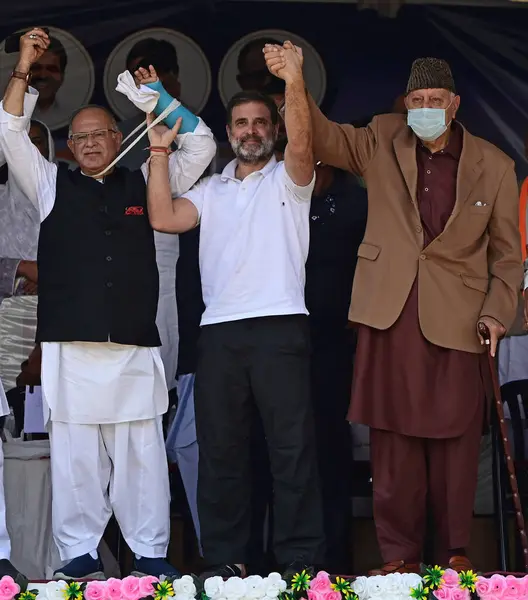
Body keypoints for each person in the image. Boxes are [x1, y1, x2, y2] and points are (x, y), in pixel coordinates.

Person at [265, 45, 522, 573]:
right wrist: (295, 80)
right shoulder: (382, 137)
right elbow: (322, 136)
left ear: (454, 104)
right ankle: (399, 561)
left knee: (454, 445)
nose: (425, 107)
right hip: (389, 313)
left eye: (435, 99)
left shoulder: (494, 165)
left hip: (461, 320)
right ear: (406, 103)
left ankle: (453, 556)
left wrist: (497, 314)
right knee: (393, 443)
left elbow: (508, 256)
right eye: (416, 99)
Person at [0, 28, 216, 580]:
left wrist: (159, 102)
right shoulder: (49, 185)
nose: (91, 142)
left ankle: (148, 552)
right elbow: (9, 128)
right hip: (71, 346)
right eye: (81, 136)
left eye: (101, 133)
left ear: (121, 136)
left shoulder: (149, 179)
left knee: (142, 456)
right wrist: (24, 63)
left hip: (131, 345)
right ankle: (78, 553)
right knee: (76, 458)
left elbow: (204, 145)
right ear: (70, 146)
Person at [143, 42, 325, 579]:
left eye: (259, 122)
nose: (250, 131)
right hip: (219, 332)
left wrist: (293, 80)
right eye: (241, 123)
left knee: (291, 450)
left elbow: (304, 141)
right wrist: (158, 152)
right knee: (222, 453)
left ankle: (299, 562)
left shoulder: (292, 181)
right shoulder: (210, 190)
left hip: (281, 325)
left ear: (274, 130)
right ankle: (227, 562)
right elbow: (162, 218)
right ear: (229, 134)